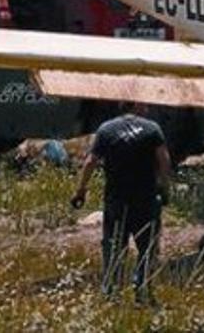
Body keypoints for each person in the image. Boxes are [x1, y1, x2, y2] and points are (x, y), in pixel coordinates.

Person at [71, 102, 171, 303]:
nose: (147, 108)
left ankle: (111, 292)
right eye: (144, 105)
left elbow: (91, 161)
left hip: (116, 200)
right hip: (145, 199)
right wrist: (164, 188)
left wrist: (81, 190)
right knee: (148, 247)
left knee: (114, 246)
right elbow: (164, 160)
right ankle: (142, 290)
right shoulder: (152, 129)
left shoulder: (106, 129)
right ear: (135, 106)